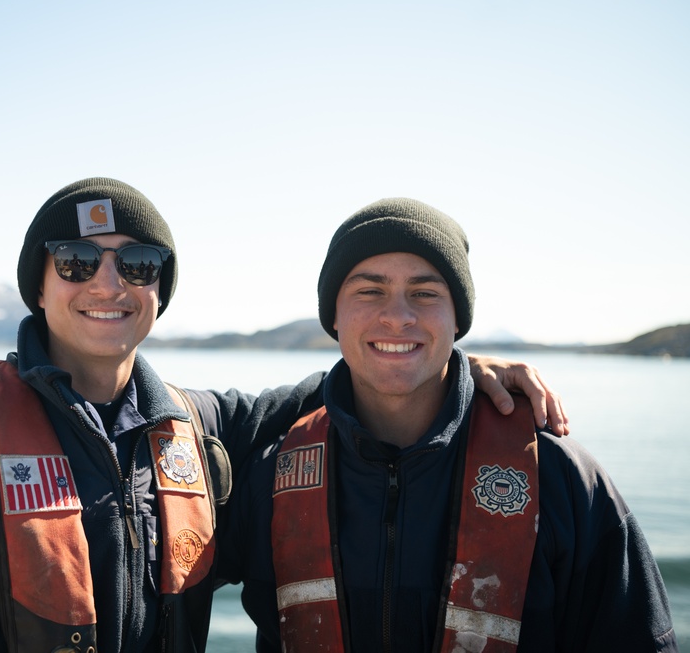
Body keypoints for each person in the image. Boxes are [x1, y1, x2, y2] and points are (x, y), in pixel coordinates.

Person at [0, 180, 567, 653]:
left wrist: (462, 368)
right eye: (77, 260)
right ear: (39, 284)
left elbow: (362, 381)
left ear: (161, 289)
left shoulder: (194, 430)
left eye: (139, 263)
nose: (109, 282)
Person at [219, 197, 678, 652]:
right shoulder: (265, 473)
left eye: (425, 293)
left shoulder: (560, 479)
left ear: (458, 318)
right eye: (369, 290)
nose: (398, 315)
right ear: (332, 315)